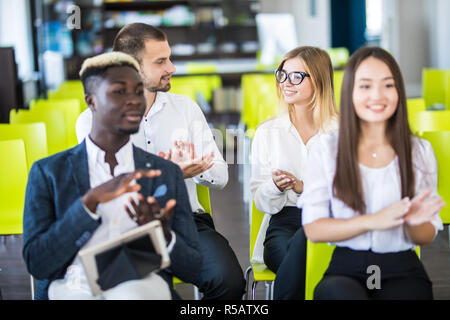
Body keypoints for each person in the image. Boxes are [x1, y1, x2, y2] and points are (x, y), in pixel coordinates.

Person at [75, 23, 245, 300]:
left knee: (229, 282)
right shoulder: (91, 122)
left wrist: (197, 169)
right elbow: (103, 189)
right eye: (161, 61)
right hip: (128, 230)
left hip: (186, 221)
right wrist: (169, 172)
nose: (172, 68)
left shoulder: (186, 108)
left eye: (170, 57)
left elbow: (221, 176)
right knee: (154, 294)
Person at [22, 52, 202, 300]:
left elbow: (193, 268)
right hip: (72, 285)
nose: (134, 101)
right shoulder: (48, 173)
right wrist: (89, 204)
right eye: (119, 92)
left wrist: (163, 234)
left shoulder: (164, 173)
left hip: (141, 284)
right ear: (91, 101)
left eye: (139, 91)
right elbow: (38, 263)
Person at [299, 46, 445, 300]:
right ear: (350, 93)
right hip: (347, 268)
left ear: (399, 91)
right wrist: (373, 220)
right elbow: (314, 228)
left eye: (387, 85)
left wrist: (413, 222)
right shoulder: (326, 150)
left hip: (401, 266)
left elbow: (427, 235)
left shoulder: (419, 151)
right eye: (365, 86)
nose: (377, 95)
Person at [250, 46, 338, 299]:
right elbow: (260, 201)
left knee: (309, 262)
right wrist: (275, 186)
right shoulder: (267, 132)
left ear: (319, 80)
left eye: (297, 76)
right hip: (284, 221)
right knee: (298, 259)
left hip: (332, 220)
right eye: (283, 75)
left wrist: (304, 187)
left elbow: (352, 193)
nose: (286, 83)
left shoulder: (341, 131)